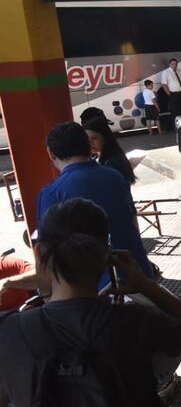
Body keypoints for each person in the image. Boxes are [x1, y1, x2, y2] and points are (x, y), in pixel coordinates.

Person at [0, 198, 181, 407]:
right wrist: (144, 285)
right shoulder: (136, 320)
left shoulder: (10, 331)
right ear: (107, 254)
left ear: (38, 254)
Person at [36, 122, 155, 285]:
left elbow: (48, 253)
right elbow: (132, 220)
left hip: (94, 287)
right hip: (136, 270)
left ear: (50, 153)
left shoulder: (52, 193)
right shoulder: (114, 176)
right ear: (88, 145)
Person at [83, 117, 138, 186]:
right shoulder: (98, 158)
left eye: (94, 138)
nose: (90, 142)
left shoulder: (113, 163)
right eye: (87, 138)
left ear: (105, 137)